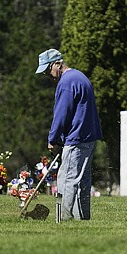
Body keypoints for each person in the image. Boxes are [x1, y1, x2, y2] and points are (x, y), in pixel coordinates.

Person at [36, 48, 102, 221]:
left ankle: (63, 219)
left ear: (56, 64)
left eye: (47, 71)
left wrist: (53, 138)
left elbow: (61, 114)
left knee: (66, 179)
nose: (48, 76)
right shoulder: (80, 76)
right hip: (89, 137)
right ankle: (82, 218)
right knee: (82, 180)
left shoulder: (66, 83)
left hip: (76, 137)